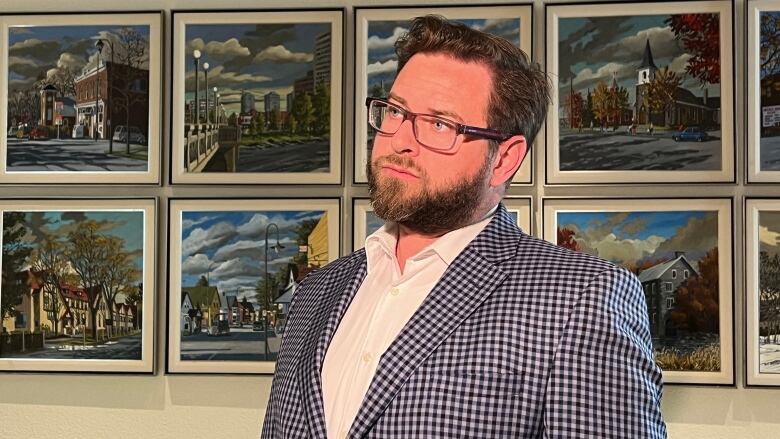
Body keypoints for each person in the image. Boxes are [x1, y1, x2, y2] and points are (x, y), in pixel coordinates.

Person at [262, 15, 666, 439]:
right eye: (396, 111)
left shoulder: (582, 299)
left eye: (440, 124)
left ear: (505, 159)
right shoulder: (315, 293)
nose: (399, 139)